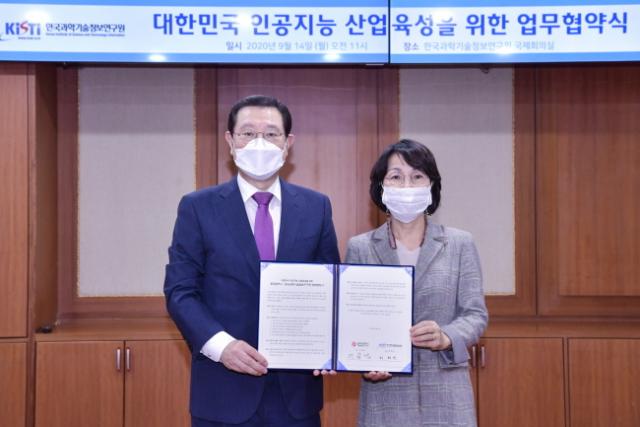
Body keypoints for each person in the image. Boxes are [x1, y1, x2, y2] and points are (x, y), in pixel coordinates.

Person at [164, 95, 340, 427]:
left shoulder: (316, 207)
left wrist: (332, 345)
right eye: (248, 133)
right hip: (222, 389)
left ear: (288, 143)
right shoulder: (197, 207)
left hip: (296, 397)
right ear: (230, 141)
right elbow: (180, 291)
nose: (260, 142)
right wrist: (222, 347)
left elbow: (330, 288)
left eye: (271, 134)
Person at [345, 139, 488, 427]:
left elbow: (475, 315)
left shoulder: (459, 243)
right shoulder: (360, 247)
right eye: (396, 177)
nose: (407, 186)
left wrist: (446, 336)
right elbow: (350, 322)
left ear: (431, 185)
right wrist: (363, 362)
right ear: (381, 186)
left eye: (417, 176)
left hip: (446, 394)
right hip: (385, 397)